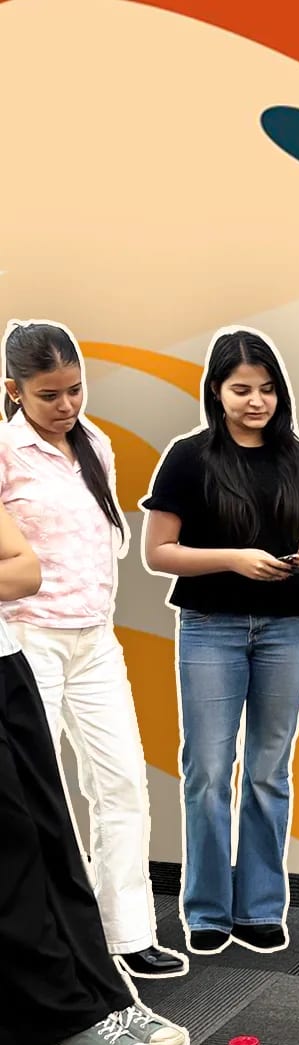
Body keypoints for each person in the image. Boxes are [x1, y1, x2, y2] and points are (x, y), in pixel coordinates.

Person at [0, 321, 186, 981]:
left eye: (75, 390)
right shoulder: (5, 453)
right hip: (28, 641)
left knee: (122, 784)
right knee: (36, 800)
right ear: (14, 391)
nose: (67, 405)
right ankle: (49, 946)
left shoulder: (95, 444)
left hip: (95, 641)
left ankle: (126, 934)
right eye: (49, 395)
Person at [140, 328, 299, 956]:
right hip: (211, 626)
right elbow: (158, 553)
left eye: (267, 389)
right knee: (206, 771)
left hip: (289, 625)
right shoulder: (189, 457)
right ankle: (205, 911)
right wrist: (235, 558)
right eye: (242, 389)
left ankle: (259, 908)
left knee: (269, 771)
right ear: (216, 392)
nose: (257, 401)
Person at [0, 500, 186, 1045]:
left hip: (5, 662)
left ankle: (100, 994)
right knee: (12, 850)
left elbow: (25, 569)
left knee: (52, 837)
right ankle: (59, 1012)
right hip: (32, 641)